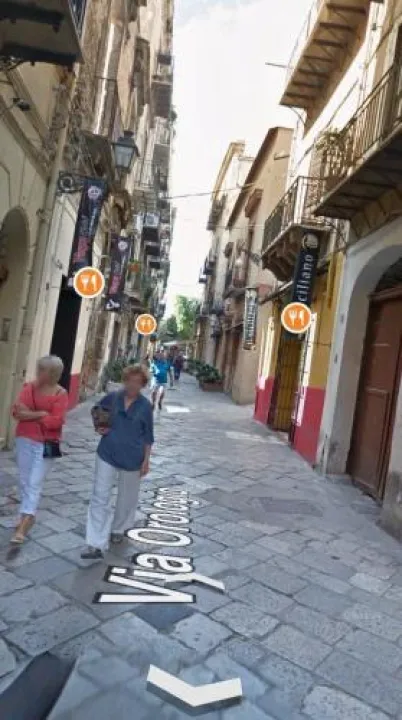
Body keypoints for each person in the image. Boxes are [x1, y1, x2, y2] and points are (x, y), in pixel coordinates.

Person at [81, 364, 154, 560]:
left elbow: (148, 436)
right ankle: (95, 543)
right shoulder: (113, 398)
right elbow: (96, 411)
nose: (132, 385)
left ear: (143, 384)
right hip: (107, 453)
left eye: (137, 382)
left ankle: (118, 528)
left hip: (133, 457)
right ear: (125, 380)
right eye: (130, 380)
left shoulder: (145, 406)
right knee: (99, 496)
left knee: (127, 498)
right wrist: (99, 427)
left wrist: (146, 461)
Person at [10, 355, 68, 544]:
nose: (38, 372)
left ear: (53, 373)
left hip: (47, 443)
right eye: (39, 368)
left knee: (34, 482)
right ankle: (26, 514)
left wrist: (32, 415)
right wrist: (42, 413)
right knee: (24, 480)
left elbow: (56, 422)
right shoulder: (29, 388)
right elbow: (17, 413)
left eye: (42, 370)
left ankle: (24, 523)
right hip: (24, 438)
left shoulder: (60, 394)